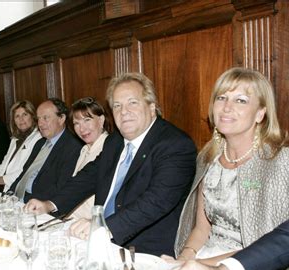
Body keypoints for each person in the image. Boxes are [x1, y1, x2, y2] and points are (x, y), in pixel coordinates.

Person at [168, 67, 289, 270]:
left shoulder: (285, 163)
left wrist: (204, 266)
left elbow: (276, 244)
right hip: (205, 260)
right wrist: (185, 257)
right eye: (221, 98)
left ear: (261, 114)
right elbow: (202, 227)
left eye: (240, 100)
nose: (227, 107)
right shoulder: (208, 158)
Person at [25, 72, 197, 257]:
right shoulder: (115, 141)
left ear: (152, 107)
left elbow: (157, 200)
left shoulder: (175, 144)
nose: (124, 112)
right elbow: (88, 177)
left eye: (132, 103)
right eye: (117, 106)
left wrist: (103, 227)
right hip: (96, 241)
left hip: (142, 250)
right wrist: (50, 204)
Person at [6, 98, 83, 202]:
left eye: (45, 118)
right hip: (18, 200)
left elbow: (59, 188)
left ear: (61, 118)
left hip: (40, 204)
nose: (40, 124)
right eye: (38, 119)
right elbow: (24, 174)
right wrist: (7, 196)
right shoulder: (40, 143)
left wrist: (25, 200)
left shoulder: (73, 147)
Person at [67, 97, 114, 221]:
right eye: (77, 123)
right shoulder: (84, 150)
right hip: (71, 218)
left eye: (87, 120)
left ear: (101, 120)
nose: (82, 129)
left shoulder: (109, 149)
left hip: (88, 222)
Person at [0, 100, 42, 192]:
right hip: (1, 186)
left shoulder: (39, 137)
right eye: (17, 116)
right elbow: (4, 165)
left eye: (25, 114)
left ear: (33, 116)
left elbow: (27, 170)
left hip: (18, 188)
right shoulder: (15, 139)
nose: (21, 119)